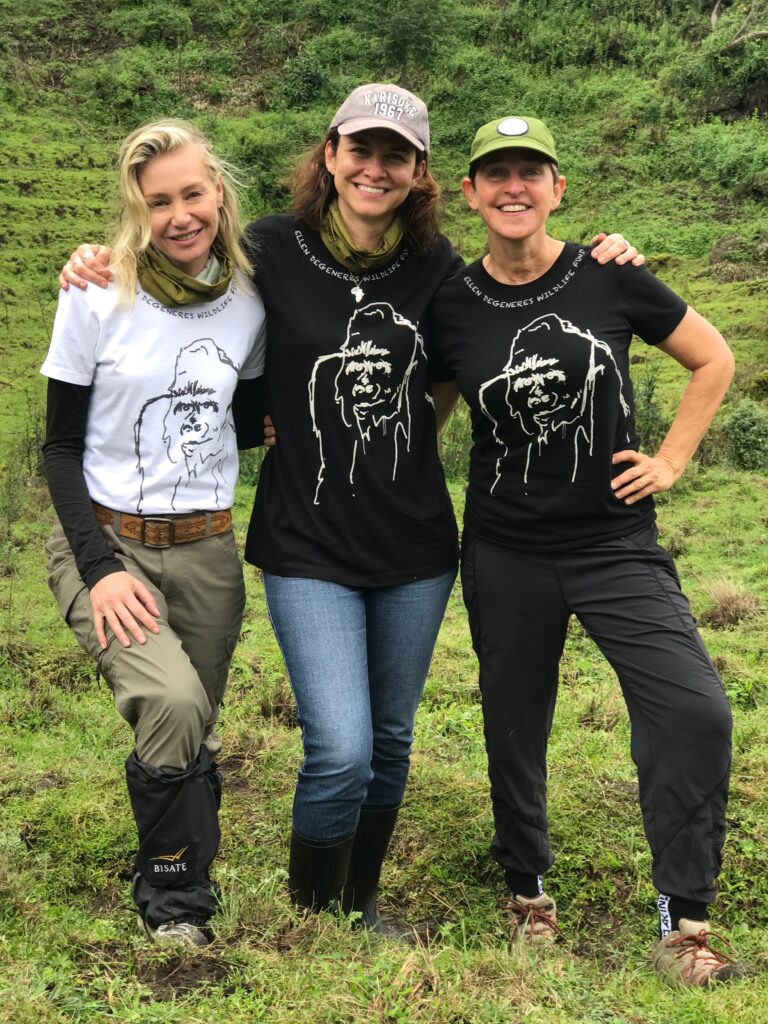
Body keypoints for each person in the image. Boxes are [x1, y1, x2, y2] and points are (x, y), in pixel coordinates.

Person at [59, 85, 639, 936]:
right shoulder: (267, 249)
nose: (375, 168)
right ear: (329, 155)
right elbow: (180, 283)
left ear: (418, 173)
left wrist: (603, 257)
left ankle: (355, 901)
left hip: (415, 545)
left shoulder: (441, 265)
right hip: (305, 540)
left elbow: (522, 292)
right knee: (340, 747)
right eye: (359, 150)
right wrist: (98, 257)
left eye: (395, 155)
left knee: (393, 743)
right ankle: (314, 903)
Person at [429, 115, 740, 984]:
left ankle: (684, 925)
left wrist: (671, 460)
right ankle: (527, 894)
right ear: (471, 193)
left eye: (531, 173)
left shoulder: (609, 274)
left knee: (694, 712)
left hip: (615, 545)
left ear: (558, 188)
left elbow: (712, 359)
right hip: (504, 549)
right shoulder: (453, 302)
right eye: (496, 174)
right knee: (514, 720)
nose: (513, 188)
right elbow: (428, 417)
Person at [42, 119, 266, 948]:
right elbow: (60, 445)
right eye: (158, 200)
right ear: (137, 209)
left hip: (207, 547)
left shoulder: (248, 297)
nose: (180, 215)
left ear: (219, 193)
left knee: (194, 721)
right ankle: (175, 899)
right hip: (107, 541)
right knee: (170, 703)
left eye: (193, 194)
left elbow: (237, 413)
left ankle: (177, 865)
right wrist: (99, 568)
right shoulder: (97, 290)